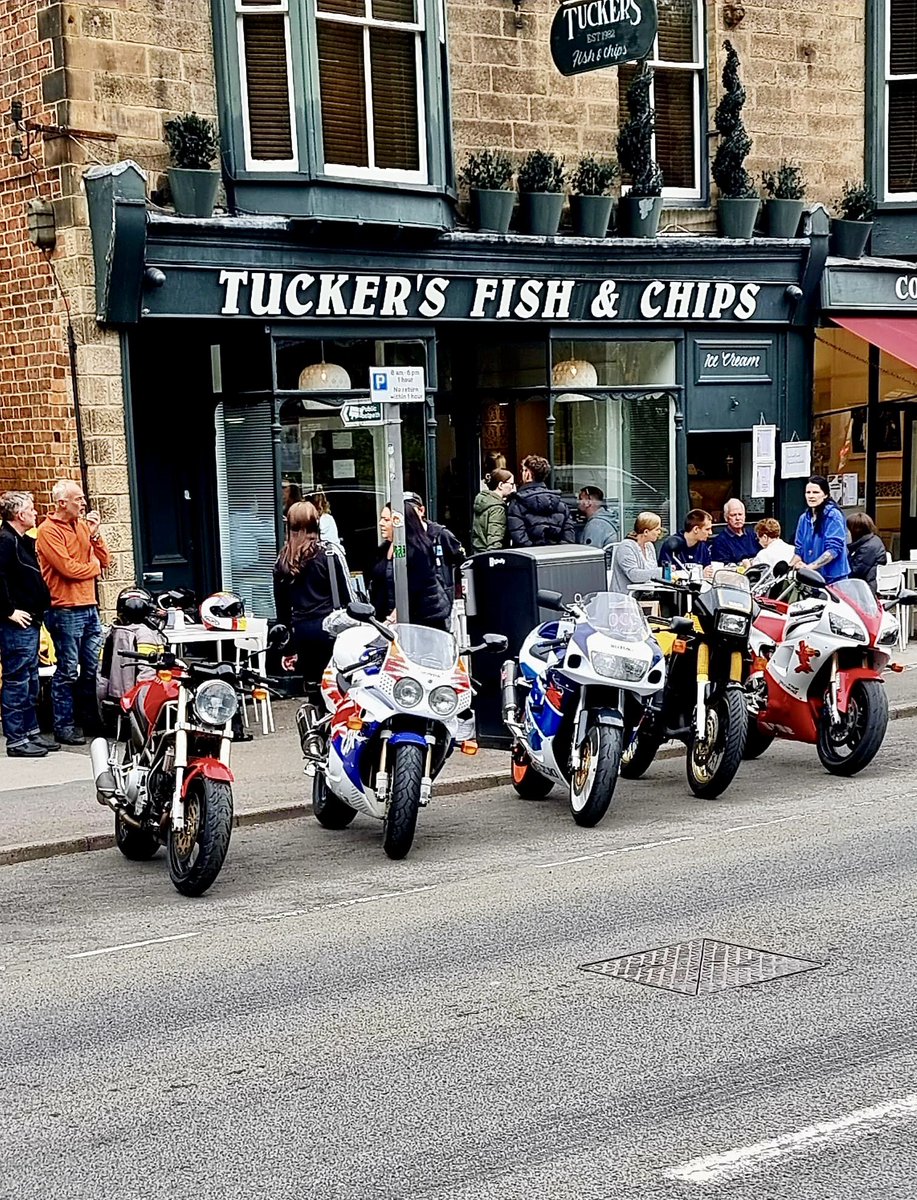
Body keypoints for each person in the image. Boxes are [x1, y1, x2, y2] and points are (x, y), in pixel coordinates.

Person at [36, 479, 110, 745]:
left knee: (91, 668)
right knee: (67, 670)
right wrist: (92, 568)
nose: (83, 503)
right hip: (64, 608)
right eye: (78, 499)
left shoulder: (81, 526)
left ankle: (89, 720)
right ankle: (63, 726)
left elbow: (105, 560)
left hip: (89, 606)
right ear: (62, 502)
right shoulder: (47, 531)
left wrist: (95, 535)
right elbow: (67, 569)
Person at [273, 501, 351, 703]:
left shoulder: (282, 560)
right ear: (316, 523)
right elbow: (348, 598)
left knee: (314, 691)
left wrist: (289, 648)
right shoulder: (330, 554)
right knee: (338, 691)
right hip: (331, 631)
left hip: (302, 633)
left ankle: (315, 730)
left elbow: (282, 612)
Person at [0, 491, 56, 758]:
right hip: (16, 624)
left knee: (30, 679)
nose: (35, 513)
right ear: (20, 515)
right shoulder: (5, 541)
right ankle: (16, 740)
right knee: (17, 680)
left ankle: (31, 731)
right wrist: (9, 611)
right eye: (31, 509)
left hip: (31, 619)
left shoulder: (21, 541)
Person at [369, 503, 452, 631]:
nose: (380, 523)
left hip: (421, 625)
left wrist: (392, 619)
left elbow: (415, 590)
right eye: (381, 519)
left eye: (386, 520)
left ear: (400, 523)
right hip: (389, 622)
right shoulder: (383, 550)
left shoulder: (419, 550)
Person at [403, 491, 465, 597]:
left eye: (409, 512)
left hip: (441, 598)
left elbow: (462, 562)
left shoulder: (441, 534)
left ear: (421, 511)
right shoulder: (399, 539)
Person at [506, 455, 575, 547]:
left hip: (528, 558)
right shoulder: (560, 504)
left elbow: (520, 538)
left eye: (523, 470)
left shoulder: (517, 503)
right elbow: (569, 538)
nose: (522, 473)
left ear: (528, 473)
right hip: (555, 557)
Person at [791, 475, 850, 583]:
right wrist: (790, 566)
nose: (811, 496)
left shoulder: (833, 515)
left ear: (825, 494)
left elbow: (833, 549)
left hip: (833, 580)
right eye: (808, 492)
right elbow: (799, 551)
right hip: (810, 579)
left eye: (816, 492)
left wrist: (809, 567)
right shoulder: (804, 518)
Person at [609, 512, 664, 595]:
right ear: (646, 532)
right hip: (625, 599)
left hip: (647, 595)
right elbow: (634, 575)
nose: (659, 532)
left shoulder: (649, 546)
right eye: (657, 529)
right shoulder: (626, 547)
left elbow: (652, 573)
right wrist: (661, 572)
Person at [472, 469, 514, 552]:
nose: (513, 488)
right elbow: (495, 541)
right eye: (511, 484)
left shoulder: (484, 502)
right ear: (501, 485)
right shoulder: (498, 508)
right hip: (491, 557)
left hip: (478, 553)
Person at [846, 511, 886, 594]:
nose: (846, 532)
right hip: (865, 586)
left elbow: (855, 572)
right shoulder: (873, 540)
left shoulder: (867, 548)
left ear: (855, 531)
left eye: (848, 529)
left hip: (863, 590)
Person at [711, 498, 759, 565]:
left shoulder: (753, 536)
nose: (738, 518)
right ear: (726, 518)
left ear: (745, 516)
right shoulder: (720, 542)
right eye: (733, 515)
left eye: (740, 514)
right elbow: (724, 566)